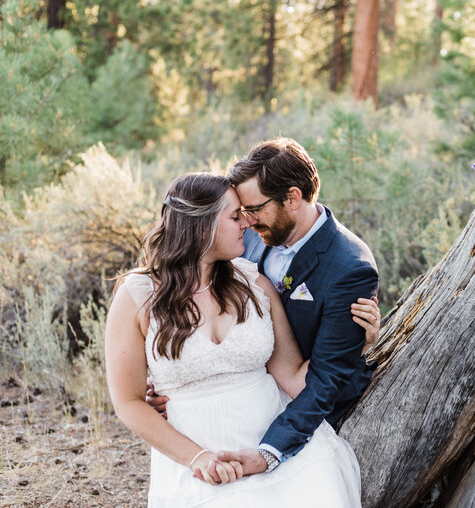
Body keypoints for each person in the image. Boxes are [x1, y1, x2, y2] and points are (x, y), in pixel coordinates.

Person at [105, 173, 379, 507]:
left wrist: (354, 342)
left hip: (274, 447)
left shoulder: (255, 284)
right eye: (235, 217)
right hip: (193, 461)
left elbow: (294, 378)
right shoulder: (137, 296)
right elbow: (128, 402)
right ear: (202, 226)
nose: (246, 224)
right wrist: (199, 458)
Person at [203, 137, 380, 476]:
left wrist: (269, 452)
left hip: (305, 407)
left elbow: (326, 380)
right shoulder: (250, 234)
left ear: (293, 197)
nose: (248, 221)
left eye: (255, 209)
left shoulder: (350, 268)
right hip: (247, 388)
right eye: (243, 211)